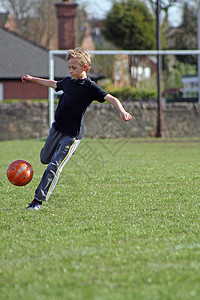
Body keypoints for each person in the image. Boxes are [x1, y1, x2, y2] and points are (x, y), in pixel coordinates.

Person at [21, 48, 132, 210]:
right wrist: (32, 79)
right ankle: (52, 162)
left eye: (74, 68)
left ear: (85, 68)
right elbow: (53, 84)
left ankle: (37, 201)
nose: (71, 71)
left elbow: (111, 98)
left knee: (54, 165)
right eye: (69, 68)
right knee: (44, 159)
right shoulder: (67, 81)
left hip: (72, 135)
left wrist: (122, 111)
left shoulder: (90, 87)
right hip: (57, 129)